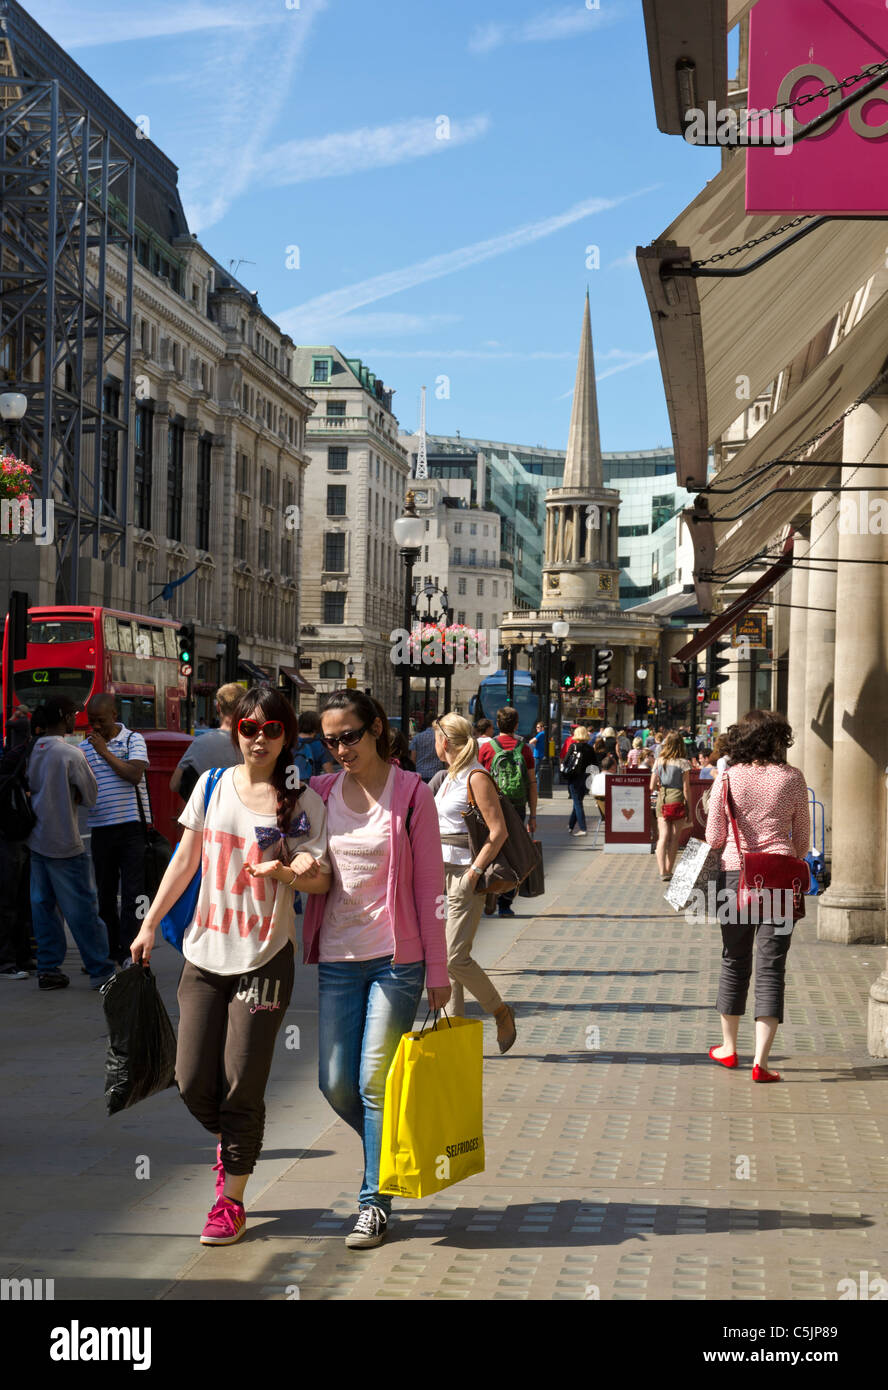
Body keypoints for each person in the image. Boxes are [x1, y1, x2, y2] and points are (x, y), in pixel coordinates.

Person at [131, 686, 330, 1246]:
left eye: (272, 729)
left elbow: (321, 879)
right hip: (203, 952)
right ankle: (239, 1141)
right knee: (192, 1079)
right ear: (235, 730)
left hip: (265, 957)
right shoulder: (213, 786)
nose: (260, 738)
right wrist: (150, 924)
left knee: (242, 1085)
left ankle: (230, 1200)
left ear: (287, 734)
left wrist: (292, 871)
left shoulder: (302, 801)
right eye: (250, 728)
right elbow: (184, 858)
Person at [303, 690, 450, 1250]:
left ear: (376, 731)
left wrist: (438, 971)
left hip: (397, 959)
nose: (340, 749)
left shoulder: (412, 795)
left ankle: (372, 1203)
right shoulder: (318, 792)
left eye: (349, 736)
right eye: (329, 739)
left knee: (370, 1081)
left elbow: (430, 889)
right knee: (334, 1082)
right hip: (338, 957)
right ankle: (392, 1147)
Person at [704, 710, 810, 1083]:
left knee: (734, 959)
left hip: (735, 876)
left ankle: (729, 1049)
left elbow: (714, 837)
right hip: (779, 879)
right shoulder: (793, 778)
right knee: (771, 967)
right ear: (780, 739)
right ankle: (761, 1063)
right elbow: (803, 843)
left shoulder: (729, 778)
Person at [433, 713, 516, 1051]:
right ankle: (452, 1040)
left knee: (454, 958)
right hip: (439, 874)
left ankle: (500, 1011)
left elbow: (498, 831)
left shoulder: (475, 776)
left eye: (434, 736)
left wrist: (474, 872)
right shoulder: (449, 777)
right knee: (446, 961)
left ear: (444, 741)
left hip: (464, 874)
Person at [25, 697, 116, 991]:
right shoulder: (70, 754)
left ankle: (49, 968)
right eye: (73, 714)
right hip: (65, 840)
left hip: (36, 840)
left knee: (43, 907)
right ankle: (100, 969)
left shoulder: (32, 749)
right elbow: (90, 795)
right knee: (82, 909)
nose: (75, 719)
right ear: (64, 718)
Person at [80, 694, 151, 966]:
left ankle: (131, 950)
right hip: (101, 828)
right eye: (91, 721)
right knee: (105, 894)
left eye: (100, 720)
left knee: (133, 893)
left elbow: (134, 774)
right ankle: (113, 950)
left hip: (131, 827)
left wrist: (105, 752)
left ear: (113, 715)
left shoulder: (134, 740)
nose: (95, 727)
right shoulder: (85, 749)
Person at [478, 706, 537, 918]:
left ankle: (488, 888)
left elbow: (478, 780)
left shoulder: (487, 749)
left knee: (489, 847)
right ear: (516, 725)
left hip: (492, 806)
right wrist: (533, 815)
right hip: (517, 807)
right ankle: (505, 902)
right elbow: (531, 783)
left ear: (498, 723)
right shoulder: (525, 749)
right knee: (513, 852)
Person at [170, 682, 244, 803]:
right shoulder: (252, 743)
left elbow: (174, 784)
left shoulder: (201, 742)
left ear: (218, 707)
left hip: (208, 815)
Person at [650, 731, 692, 881]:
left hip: (663, 799)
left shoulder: (659, 761)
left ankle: (662, 871)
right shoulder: (684, 763)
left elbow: (651, 785)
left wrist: (661, 788)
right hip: (678, 800)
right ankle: (669, 869)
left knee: (662, 837)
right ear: (681, 745)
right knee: (674, 838)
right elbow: (686, 788)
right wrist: (690, 810)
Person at [562, 725, 597, 836]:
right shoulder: (590, 748)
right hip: (586, 778)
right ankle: (571, 826)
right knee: (578, 802)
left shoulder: (573, 746)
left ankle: (583, 828)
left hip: (574, 777)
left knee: (577, 803)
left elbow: (566, 761)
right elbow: (595, 765)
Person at [293, 709, 337, 782]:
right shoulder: (320, 745)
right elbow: (330, 773)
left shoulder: (290, 741)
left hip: (290, 786)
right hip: (310, 788)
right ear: (317, 726)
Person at [410, 720, 446, 784]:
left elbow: (413, 759)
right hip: (436, 774)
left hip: (421, 773)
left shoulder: (417, 737)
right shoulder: (440, 737)